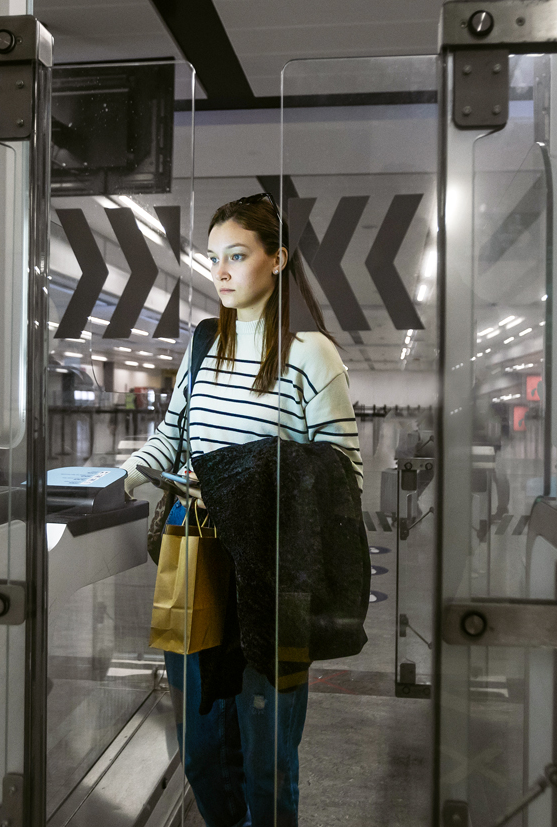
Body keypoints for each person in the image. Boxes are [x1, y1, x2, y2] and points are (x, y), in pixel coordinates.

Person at [120, 193, 362, 827]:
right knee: (202, 752)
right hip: (199, 554)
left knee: (266, 759)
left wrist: (241, 479)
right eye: (213, 258)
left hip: (272, 570)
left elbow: (343, 475)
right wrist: (122, 476)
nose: (220, 272)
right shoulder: (205, 343)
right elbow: (172, 434)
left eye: (237, 255)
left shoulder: (310, 352)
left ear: (277, 259)